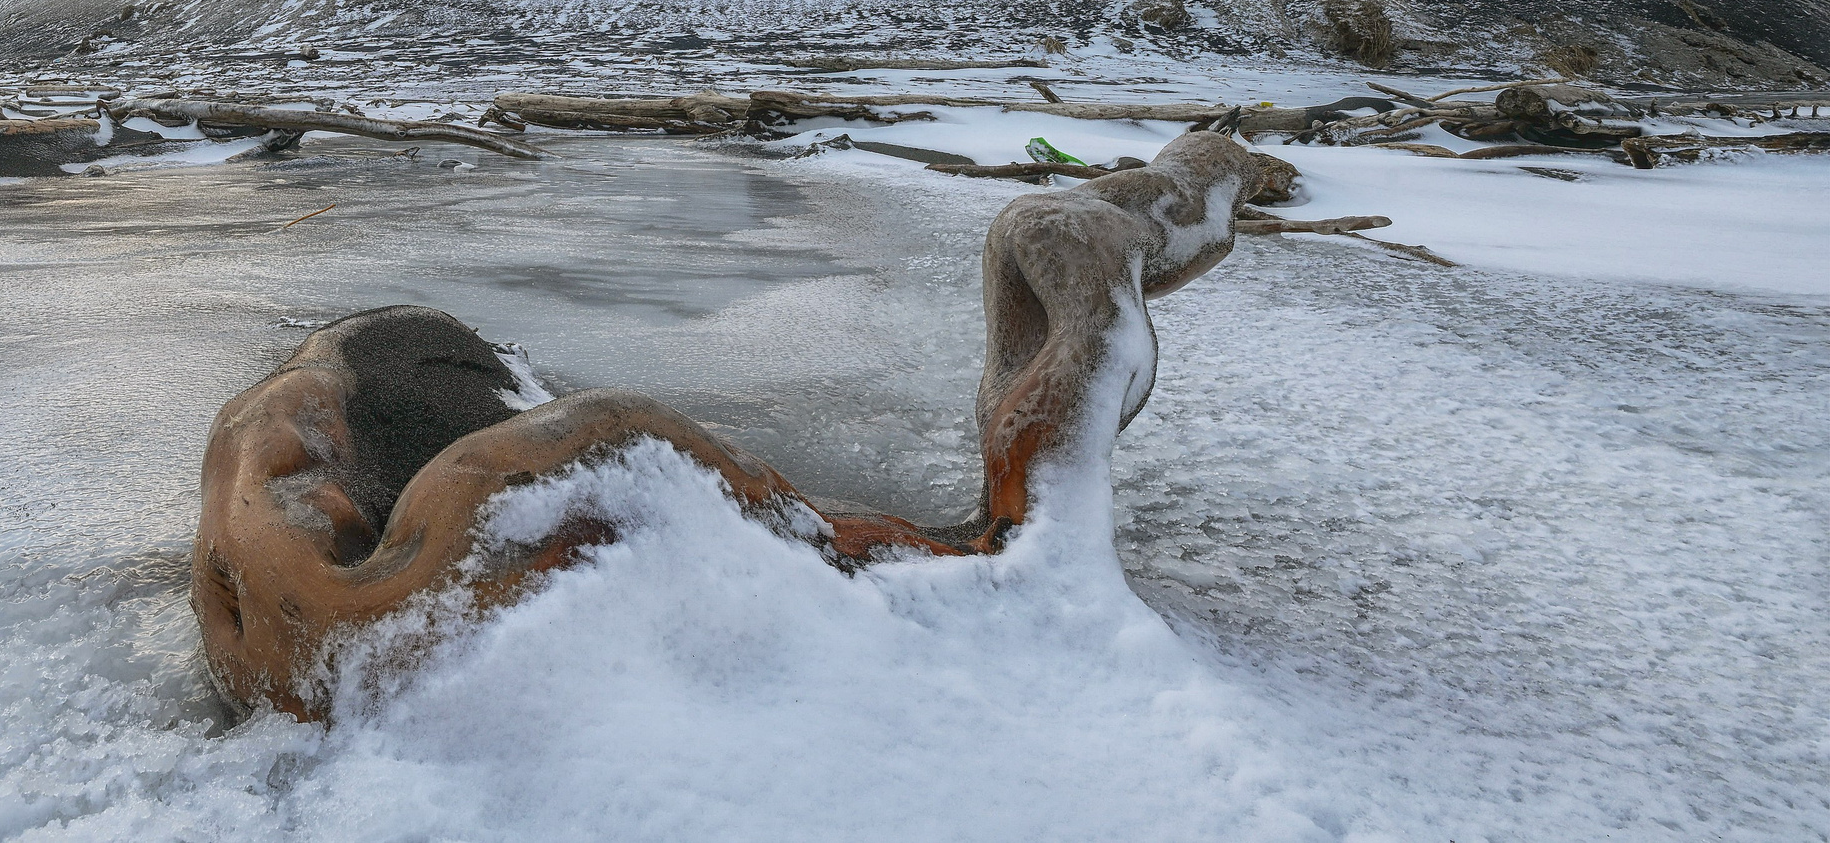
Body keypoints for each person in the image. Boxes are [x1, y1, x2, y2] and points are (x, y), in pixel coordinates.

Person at [192, 128, 1292, 719]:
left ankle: (1202, 176)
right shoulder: (462, 495)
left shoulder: (361, 471)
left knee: (1058, 309)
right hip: (426, 554)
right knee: (1050, 335)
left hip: (385, 558)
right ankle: (1200, 179)